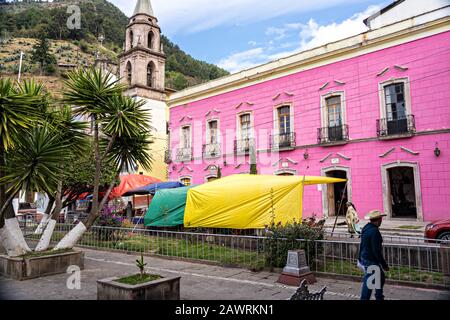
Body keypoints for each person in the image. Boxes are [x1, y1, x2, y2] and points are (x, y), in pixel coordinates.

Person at [358, 210, 389, 301]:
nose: (381, 221)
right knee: (369, 284)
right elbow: (377, 251)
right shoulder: (374, 231)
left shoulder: (366, 228)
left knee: (380, 278)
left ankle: (379, 296)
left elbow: (363, 244)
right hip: (371, 260)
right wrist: (384, 265)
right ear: (379, 220)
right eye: (381, 219)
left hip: (365, 257)